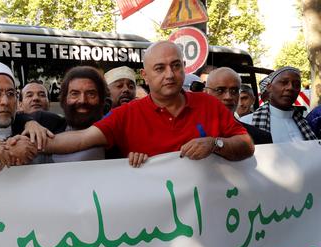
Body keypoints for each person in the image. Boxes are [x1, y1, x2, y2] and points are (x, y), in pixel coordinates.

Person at [44, 41, 254, 167]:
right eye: (160, 68)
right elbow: (82, 138)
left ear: (183, 67)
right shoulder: (128, 114)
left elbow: (246, 146)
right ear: (145, 75)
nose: (170, 75)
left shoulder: (209, 104)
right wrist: (31, 144)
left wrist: (215, 144)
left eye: (175, 66)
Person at [52, 65, 114, 163]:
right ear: (64, 99)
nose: (82, 101)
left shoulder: (117, 136)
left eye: (91, 94)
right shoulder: (50, 127)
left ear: (102, 100)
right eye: (75, 94)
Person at [240, 66, 317, 142]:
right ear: (269, 87)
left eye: (296, 85)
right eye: (284, 82)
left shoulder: (305, 122)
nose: (290, 88)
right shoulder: (246, 122)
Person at [204, 67, 271, 144]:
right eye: (220, 90)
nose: (228, 97)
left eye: (234, 91)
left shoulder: (261, 138)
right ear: (206, 93)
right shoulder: (190, 131)